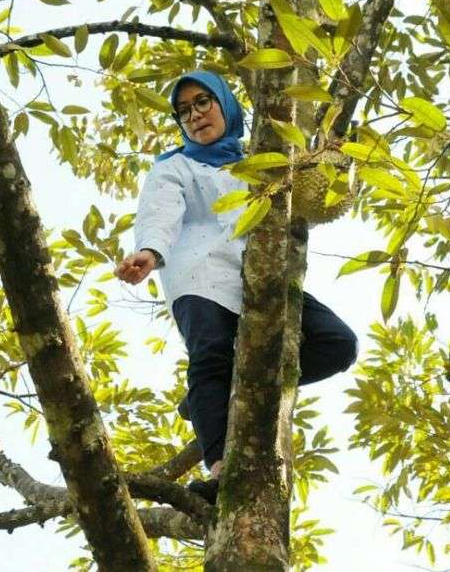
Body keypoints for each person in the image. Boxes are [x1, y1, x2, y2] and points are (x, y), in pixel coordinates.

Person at [115, 70, 357, 504]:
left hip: (262, 277)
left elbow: (312, 196)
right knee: (210, 354)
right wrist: (148, 253)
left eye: (202, 102)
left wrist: (336, 156)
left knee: (338, 343)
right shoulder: (175, 166)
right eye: (183, 111)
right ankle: (221, 468)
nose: (194, 116)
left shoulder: (264, 159)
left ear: (225, 104)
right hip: (198, 273)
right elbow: (160, 213)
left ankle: (222, 392)